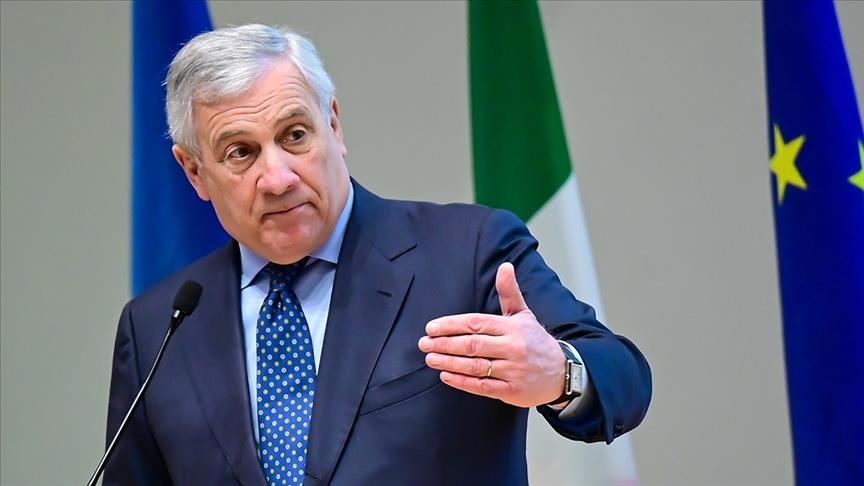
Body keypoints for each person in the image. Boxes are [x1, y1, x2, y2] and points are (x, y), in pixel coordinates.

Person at [105, 24, 651, 486]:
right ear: (194, 172)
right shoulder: (157, 328)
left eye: (294, 135)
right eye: (241, 152)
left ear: (333, 125)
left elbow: (623, 377)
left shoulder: (468, 252)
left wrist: (560, 373)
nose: (277, 177)